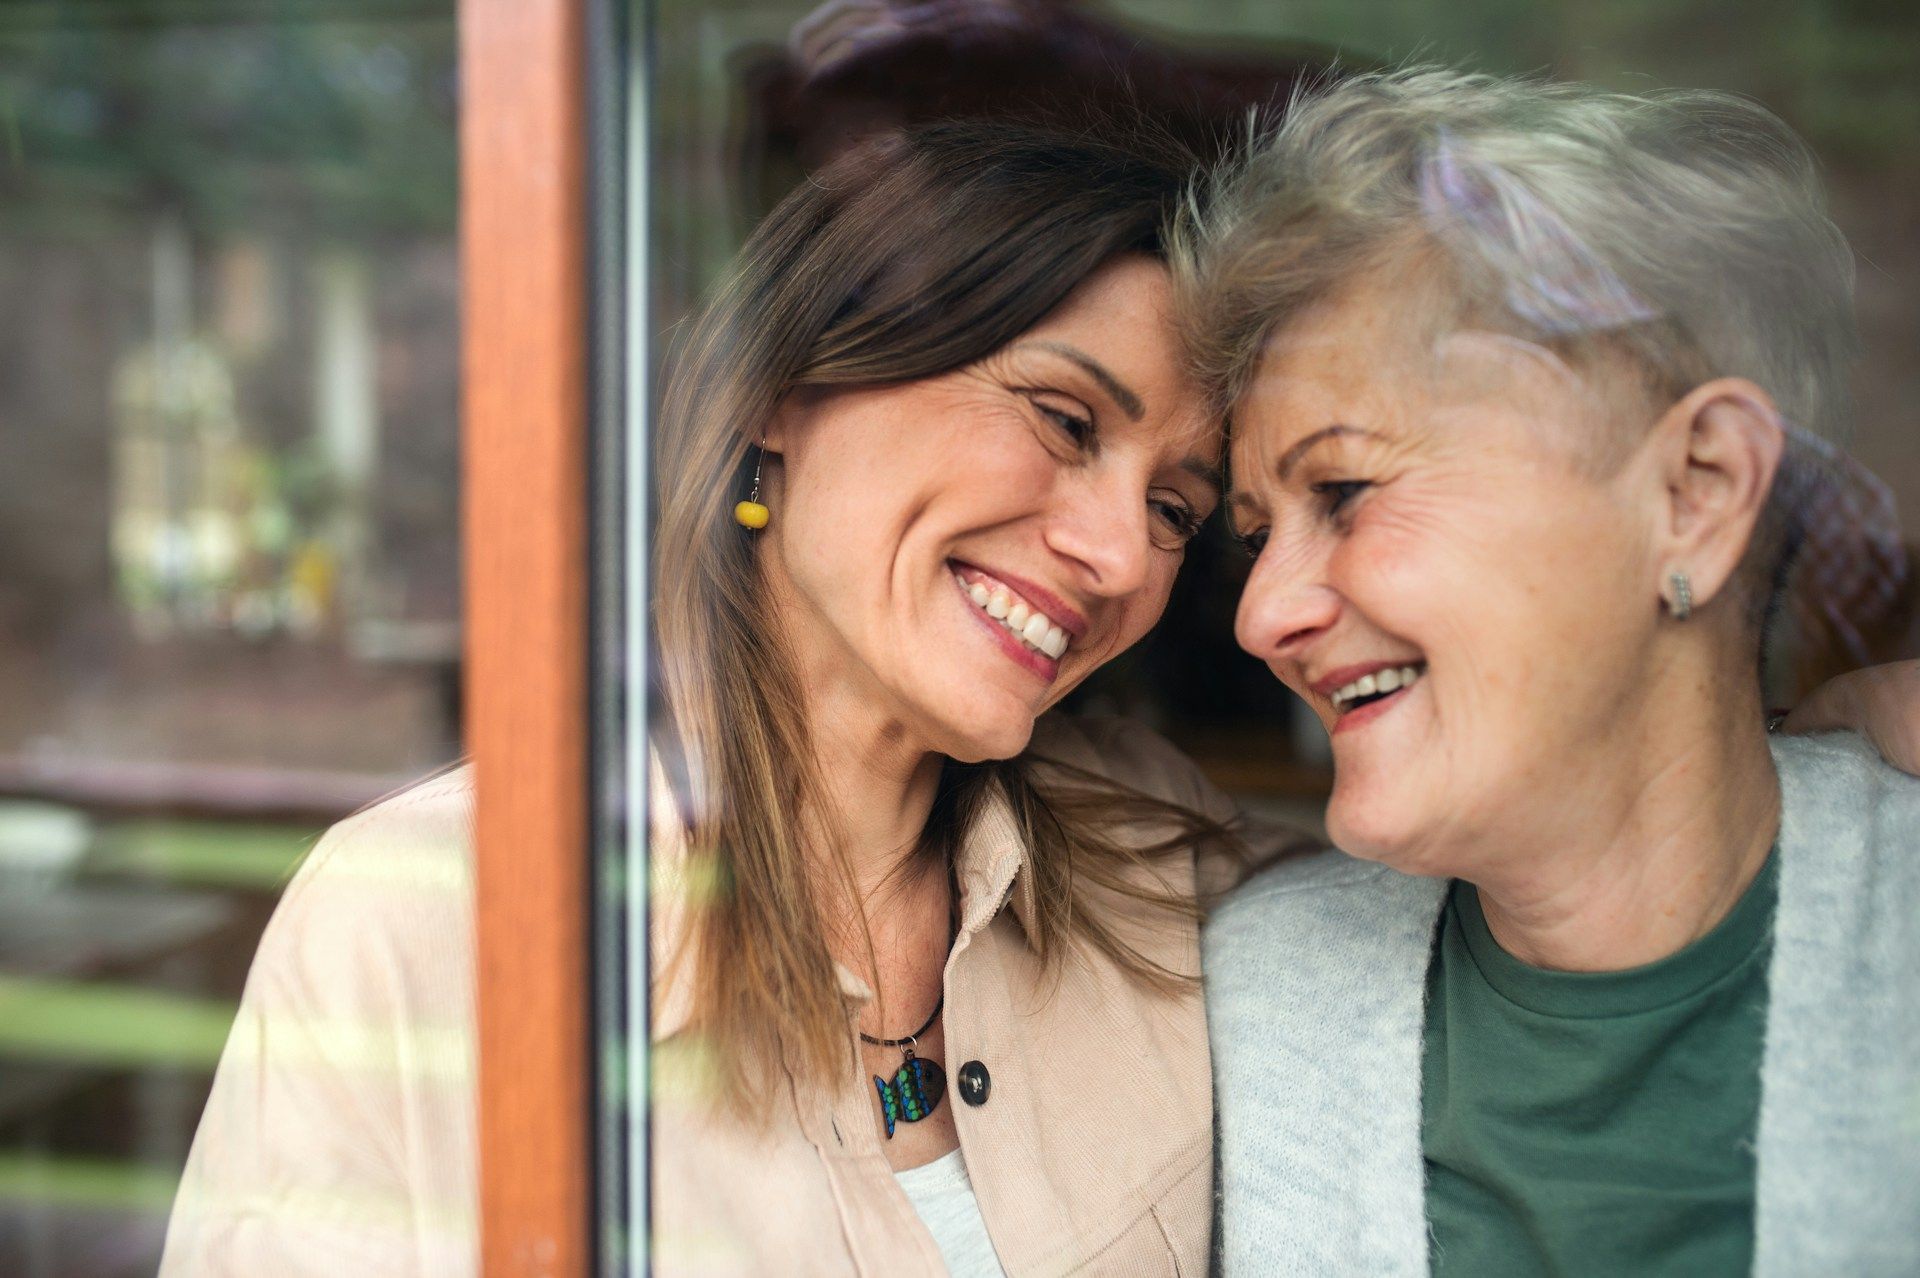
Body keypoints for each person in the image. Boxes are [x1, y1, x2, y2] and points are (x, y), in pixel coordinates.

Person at [160, 110, 1913, 1278]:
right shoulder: (426, 930)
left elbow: (1624, 807)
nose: (1119, 557)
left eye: (1171, 510)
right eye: (1063, 420)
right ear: (786, 386)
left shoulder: (1182, 898)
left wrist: (1850, 741)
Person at [1183, 69, 1920, 1276]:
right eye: (1260, 536)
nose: (1262, 614)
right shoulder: (1257, 1001)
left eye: (1347, 490)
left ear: (1695, 494)